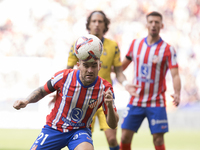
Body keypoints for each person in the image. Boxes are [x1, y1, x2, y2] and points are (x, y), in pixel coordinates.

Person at [13, 36, 119, 150]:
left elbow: (113, 125)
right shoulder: (63, 77)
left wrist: (109, 106)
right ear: (78, 65)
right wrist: (27, 100)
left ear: (99, 66)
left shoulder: (105, 88)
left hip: (80, 131)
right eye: (86, 66)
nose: (90, 70)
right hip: (54, 129)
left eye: (94, 66)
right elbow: (42, 91)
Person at [64, 10, 139, 150]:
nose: (97, 24)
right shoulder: (78, 44)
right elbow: (67, 72)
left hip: (105, 96)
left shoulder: (113, 45)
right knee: (82, 140)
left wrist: (126, 84)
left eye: (100, 21)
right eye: (94, 21)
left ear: (105, 25)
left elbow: (119, 72)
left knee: (112, 139)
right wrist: (59, 92)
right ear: (89, 24)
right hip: (83, 98)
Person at [120, 11, 181, 150]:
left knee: (158, 139)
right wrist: (107, 67)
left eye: (157, 22)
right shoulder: (135, 44)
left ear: (162, 25)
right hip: (136, 99)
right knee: (124, 137)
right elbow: (122, 66)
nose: (153, 25)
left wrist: (177, 92)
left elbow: (175, 74)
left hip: (156, 101)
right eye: (151, 22)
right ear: (147, 24)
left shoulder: (168, 49)